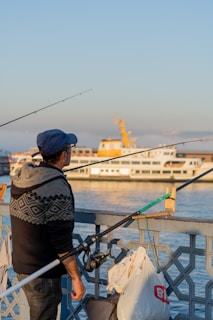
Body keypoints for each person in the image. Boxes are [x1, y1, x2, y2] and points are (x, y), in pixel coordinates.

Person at [10, 129, 86, 320]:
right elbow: (62, 242)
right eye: (69, 148)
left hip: (22, 266)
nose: (70, 152)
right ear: (63, 154)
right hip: (43, 271)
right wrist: (76, 278)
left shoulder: (23, 177)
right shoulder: (55, 186)